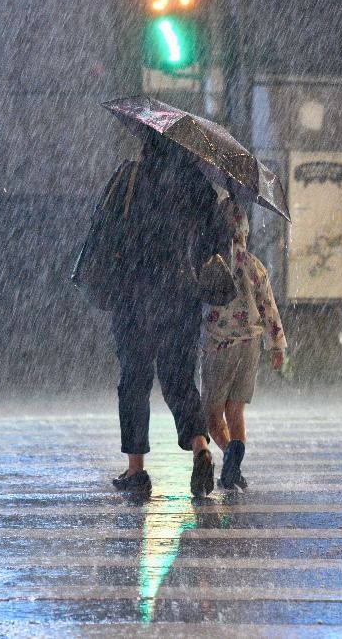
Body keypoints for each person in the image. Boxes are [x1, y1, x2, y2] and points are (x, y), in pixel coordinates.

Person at [109, 135, 220, 497]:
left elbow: (110, 233)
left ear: (146, 145)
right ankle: (201, 445)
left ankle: (136, 471)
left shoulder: (131, 179)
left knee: (135, 380)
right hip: (181, 293)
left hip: (134, 293)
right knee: (179, 378)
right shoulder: (199, 187)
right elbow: (213, 243)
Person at [200, 198, 286, 490]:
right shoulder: (252, 264)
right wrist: (277, 347)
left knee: (213, 415)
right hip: (251, 344)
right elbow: (268, 306)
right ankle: (234, 466)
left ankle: (229, 455)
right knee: (235, 412)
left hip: (219, 346)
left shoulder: (209, 262)